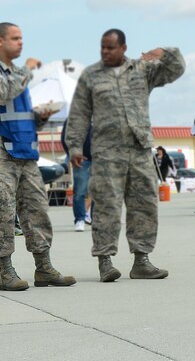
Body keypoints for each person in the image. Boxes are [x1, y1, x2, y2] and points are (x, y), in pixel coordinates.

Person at [66, 30, 185, 282]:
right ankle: (105, 261)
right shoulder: (91, 75)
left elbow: (176, 69)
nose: (105, 52)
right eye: (103, 47)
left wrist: (164, 52)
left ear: (123, 48)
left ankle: (141, 260)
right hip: (107, 151)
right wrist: (75, 146)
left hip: (140, 148)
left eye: (111, 48)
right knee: (107, 205)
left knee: (144, 204)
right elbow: (78, 113)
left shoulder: (142, 70)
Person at [0, 23, 75, 291]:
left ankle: (44, 268)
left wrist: (38, 118)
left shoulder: (17, 77)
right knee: (1, 212)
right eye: (15, 38)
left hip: (24, 152)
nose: (21, 43)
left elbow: (17, 117)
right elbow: (1, 92)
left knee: (37, 209)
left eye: (22, 38)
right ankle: (7, 272)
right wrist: (27, 69)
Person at [61, 120, 92, 232]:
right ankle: (80, 219)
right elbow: (65, 138)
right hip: (82, 159)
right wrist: (72, 153)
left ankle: (97, 220)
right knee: (80, 190)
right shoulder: (74, 117)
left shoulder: (103, 113)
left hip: (102, 158)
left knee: (101, 191)